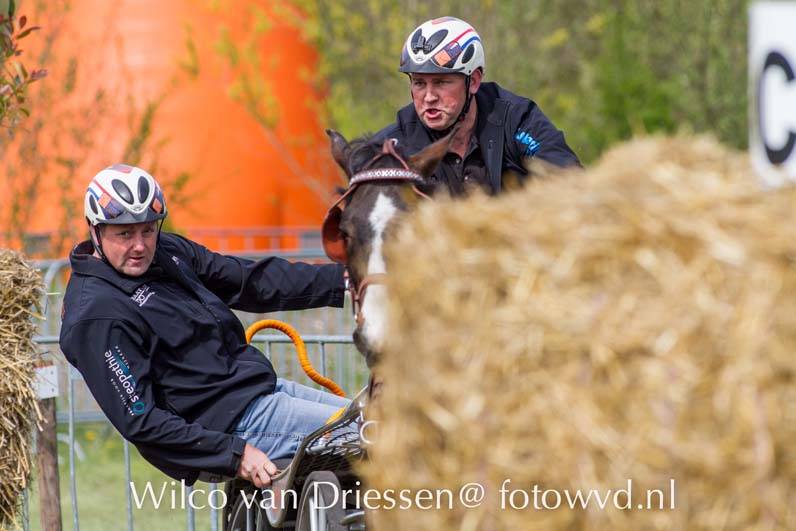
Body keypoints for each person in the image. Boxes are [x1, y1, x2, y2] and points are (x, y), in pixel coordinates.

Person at [59, 164, 350, 488]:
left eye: (148, 230)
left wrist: (348, 278)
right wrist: (234, 454)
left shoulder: (167, 253)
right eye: (124, 233)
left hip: (264, 392)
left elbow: (247, 281)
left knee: (375, 423)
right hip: (234, 425)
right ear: (95, 230)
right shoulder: (97, 314)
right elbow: (141, 420)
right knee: (378, 437)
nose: (140, 245)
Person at [374, 16, 581, 196]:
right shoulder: (392, 146)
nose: (428, 97)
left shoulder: (516, 119)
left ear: (473, 81)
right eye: (419, 83)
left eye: (440, 82)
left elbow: (571, 181)